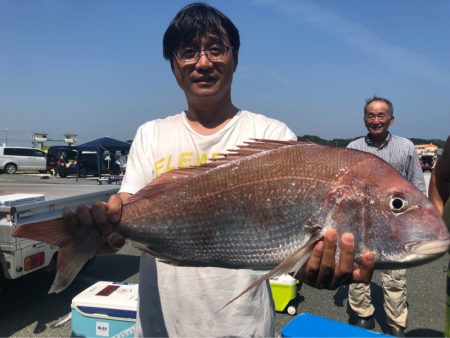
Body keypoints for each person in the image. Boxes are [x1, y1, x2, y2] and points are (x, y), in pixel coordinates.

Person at [63, 3, 374, 337]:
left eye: (215, 48)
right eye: (188, 51)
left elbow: (294, 245)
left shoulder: (274, 135)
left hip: (244, 328)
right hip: (160, 329)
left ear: (235, 58)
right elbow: (124, 209)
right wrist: (103, 232)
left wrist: (314, 266)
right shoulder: (151, 134)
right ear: (173, 65)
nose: (203, 62)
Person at [346, 96, 426, 337]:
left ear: (391, 119)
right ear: (364, 119)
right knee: (359, 273)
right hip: (361, 225)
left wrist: (418, 222)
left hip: (395, 227)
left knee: (394, 277)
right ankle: (363, 315)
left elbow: (418, 187)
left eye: (381, 115)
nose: (376, 120)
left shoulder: (406, 147)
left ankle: (396, 322)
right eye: (371, 115)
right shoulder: (353, 148)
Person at [428, 135, 450, 336]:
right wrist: (437, 221)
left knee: (394, 282)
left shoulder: (406, 146)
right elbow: (439, 177)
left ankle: (396, 322)